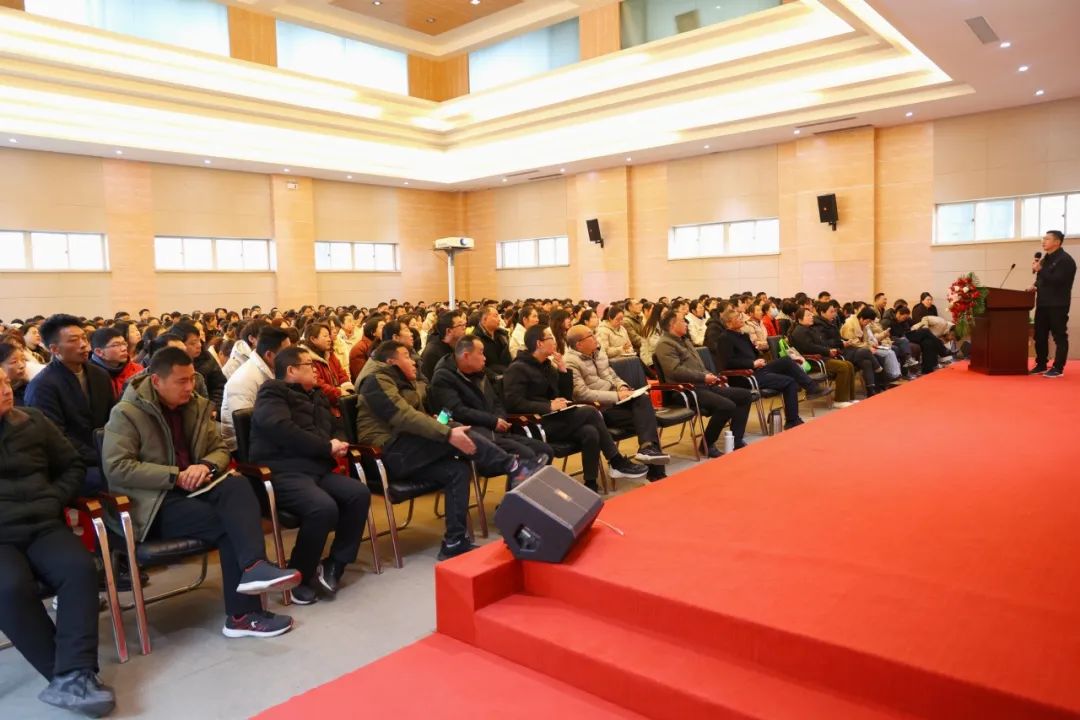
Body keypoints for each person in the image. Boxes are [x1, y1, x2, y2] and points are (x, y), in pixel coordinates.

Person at [102, 348, 301, 638]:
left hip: (196, 488)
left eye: (192, 379)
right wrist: (175, 475)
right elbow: (117, 467)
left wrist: (205, 466)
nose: (190, 387)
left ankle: (255, 567)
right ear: (156, 381)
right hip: (154, 503)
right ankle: (243, 614)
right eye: (181, 381)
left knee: (238, 484)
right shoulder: (127, 413)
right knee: (230, 525)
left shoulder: (194, 405)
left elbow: (219, 449)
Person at [354, 341, 543, 560]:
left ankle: (454, 541)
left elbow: (415, 418)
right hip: (386, 453)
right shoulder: (375, 381)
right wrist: (446, 433)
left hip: (408, 449)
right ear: (391, 361)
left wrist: (438, 424)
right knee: (452, 431)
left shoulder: (403, 381)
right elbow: (403, 416)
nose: (413, 360)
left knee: (457, 470)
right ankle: (513, 465)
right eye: (406, 356)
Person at [0, 367, 116, 717]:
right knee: (9, 587)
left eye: (4, 382)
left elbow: (72, 466)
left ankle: (75, 673)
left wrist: (54, 498)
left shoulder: (32, 420)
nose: (6, 390)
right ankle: (65, 676)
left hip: (43, 523)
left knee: (79, 569)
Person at [249, 346, 371, 604]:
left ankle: (335, 563)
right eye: (309, 365)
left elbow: (337, 426)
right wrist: (326, 447)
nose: (316, 370)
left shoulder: (317, 395)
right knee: (322, 507)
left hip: (317, 468)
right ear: (291, 370)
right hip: (282, 471)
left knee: (358, 493)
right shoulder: (272, 392)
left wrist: (340, 442)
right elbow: (280, 428)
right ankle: (300, 575)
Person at [502, 326, 647, 491]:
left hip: (553, 419)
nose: (555, 341)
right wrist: (547, 406)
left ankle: (591, 484)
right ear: (539, 343)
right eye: (550, 338)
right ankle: (616, 460)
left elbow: (565, 397)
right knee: (590, 411)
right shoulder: (517, 368)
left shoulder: (547, 365)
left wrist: (563, 371)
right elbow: (513, 403)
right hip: (534, 424)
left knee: (590, 431)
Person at [428, 337, 552, 488]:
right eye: (481, 353)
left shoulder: (479, 372)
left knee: (545, 451)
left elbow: (496, 401)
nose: (485, 357)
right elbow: (456, 411)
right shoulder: (443, 377)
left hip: (496, 432)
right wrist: (493, 421)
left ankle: (532, 497)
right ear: (466, 355)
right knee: (526, 455)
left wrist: (500, 418)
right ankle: (516, 501)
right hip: (477, 437)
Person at [563, 325, 669, 481]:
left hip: (617, 403)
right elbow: (582, 394)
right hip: (600, 411)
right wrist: (617, 396)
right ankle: (656, 472)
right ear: (579, 344)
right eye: (590, 336)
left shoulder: (599, 353)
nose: (595, 338)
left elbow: (613, 376)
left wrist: (622, 386)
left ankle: (647, 448)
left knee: (643, 400)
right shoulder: (570, 362)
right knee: (647, 419)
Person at [25, 314, 115, 494]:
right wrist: (101, 456)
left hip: (106, 454)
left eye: (84, 338)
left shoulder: (100, 375)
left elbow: (114, 417)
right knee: (111, 480)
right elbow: (55, 438)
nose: (84, 345)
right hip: (70, 464)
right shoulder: (43, 386)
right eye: (74, 340)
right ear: (54, 349)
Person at [653, 310, 753, 457]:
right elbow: (675, 371)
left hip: (702, 385)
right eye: (683, 321)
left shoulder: (684, 340)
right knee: (726, 406)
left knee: (744, 395)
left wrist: (710, 375)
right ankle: (707, 444)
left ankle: (736, 439)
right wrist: (703, 377)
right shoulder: (665, 344)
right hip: (685, 391)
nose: (686, 324)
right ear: (673, 325)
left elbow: (698, 366)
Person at [707, 307, 824, 429]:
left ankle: (811, 388)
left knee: (786, 361)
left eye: (741, 317)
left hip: (757, 369)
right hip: (744, 376)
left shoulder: (744, 335)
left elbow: (753, 354)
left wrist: (759, 355)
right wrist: (752, 364)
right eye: (737, 318)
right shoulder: (724, 338)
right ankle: (792, 420)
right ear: (728, 323)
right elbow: (728, 363)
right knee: (790, 381)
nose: (741, 319)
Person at [221, 326, 291, 451]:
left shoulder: (273, 369)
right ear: (269, 355)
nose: (290, 357)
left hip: (269, 433)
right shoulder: (244, 379)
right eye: (286, 353)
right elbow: (246, 427)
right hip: (242, 446)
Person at [1029, 230, 1076, 377]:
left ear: (1057, 242)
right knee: (1039, 336)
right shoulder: (1045, 259)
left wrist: (1040, 270)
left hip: (1058, 304)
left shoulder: (1065, 260)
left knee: (1059, 336)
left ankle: (1058, 368)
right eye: (1043, 238)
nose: (1043, 241)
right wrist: (1034, 285)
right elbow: (1042, 279)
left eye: (1047, 239)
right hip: (1043, 303)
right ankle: (1041, 364)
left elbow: (1058, 280)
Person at [788, 307, 856, 406]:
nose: (812, 316)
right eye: (808, 315)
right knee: (843, 367)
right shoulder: (799, 331)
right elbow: (810, 347)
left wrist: (831, 350)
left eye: (811, 314)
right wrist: (827, 351)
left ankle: (849, 397)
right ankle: (839, 400)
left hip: (821, 357)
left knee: (849, 364)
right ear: (799, 319)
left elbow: (821, 343)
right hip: (812, 361)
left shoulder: (810, 329)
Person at [174, 323, 226, 415]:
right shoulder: (174, 365)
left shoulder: (207, 357)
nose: (199, 345)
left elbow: (219, 386)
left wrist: (214, 408)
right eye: (193, 343)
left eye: (199, 340)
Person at [301, 322, 353, 409]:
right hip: (323, 405)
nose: (329, 339)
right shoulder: (306, 359)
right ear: (313, 339)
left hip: (340, 400)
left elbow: (341, 373)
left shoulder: (329, 353)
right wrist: (340, 393)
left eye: (329, 336)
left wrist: (348, 389)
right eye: (325, 336)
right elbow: (318, 384)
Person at [842, 307, 901, 383]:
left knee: (872, 360)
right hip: (851, 351)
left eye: (870, 321)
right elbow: (852, 342)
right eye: (868, 321)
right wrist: (869, 347)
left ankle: (879, 383)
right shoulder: (849, 325)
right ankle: (882, 373)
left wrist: (871, 346)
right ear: (861, 318)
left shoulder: (864, 325)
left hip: (862, 350)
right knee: (874, 355)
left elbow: (867, 341)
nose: (868, 323)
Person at [89, 327, 144, 401]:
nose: (124, 348)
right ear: (99, 352)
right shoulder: (89, 375)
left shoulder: (138, 370)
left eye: (124, 343)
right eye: (116, 345)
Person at [419, 310, 466, 382]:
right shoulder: (433, 353)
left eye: (464, 324)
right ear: (449, 331)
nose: (464, 327)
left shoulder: (459, 344)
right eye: (460, 325)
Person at [471, 305, 512, 378]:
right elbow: (479, 365)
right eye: (496, 316)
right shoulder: (475, 338)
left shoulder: (502, 334)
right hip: (490, 378)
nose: (499, 319)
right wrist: (495, 376)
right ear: (484, 319)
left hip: (506, 372)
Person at [348, 316, 384, 381]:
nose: (385, 330)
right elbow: (362, 376)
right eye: (382, 327)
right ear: (373, 332)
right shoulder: (359, 348)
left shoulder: (383, 345)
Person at [638, 301, 668, 368]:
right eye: (664, 313)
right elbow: (655, 344)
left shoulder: (661, 325)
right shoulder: (650, 327)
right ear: (658, 313)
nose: (666, 315)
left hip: (659, 357)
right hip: (650, 360)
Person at [0, 341, 30, 406]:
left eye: (23, 359)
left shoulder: (30, 386)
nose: (22, 365)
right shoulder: (4, 397)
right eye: (14, 362)